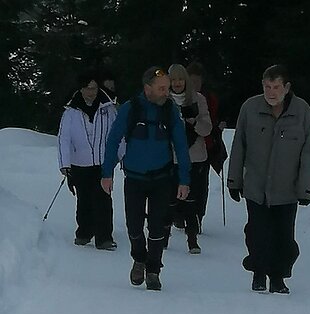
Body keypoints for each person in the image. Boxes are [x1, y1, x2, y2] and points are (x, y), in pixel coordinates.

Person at [227, 64, 310, 294]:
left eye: (276, 87)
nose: (271, 92)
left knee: (284, 237)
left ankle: (278, 276)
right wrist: (234, 180)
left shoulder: (302, 112)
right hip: (256, 186)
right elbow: (239, 146)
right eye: (267, 87)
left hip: (286, 188)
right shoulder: (250, 108)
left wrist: (306, 189)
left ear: (286, 88)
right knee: (257, 232)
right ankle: (259, 272)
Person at [101, 66, 191, 291]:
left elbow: (181, 146)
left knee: (158, 226)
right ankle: (139, 258)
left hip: (162, 177)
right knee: (134, 225)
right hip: (134, 178)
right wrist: (107, 173)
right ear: (147, 88)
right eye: (161, 88)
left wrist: (184, 179)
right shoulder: (130, 109)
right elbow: (113, 141)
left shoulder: (170, 111)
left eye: (167, 88)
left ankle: (153, 270)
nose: (166, 92)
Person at [58, 71, 118, 250]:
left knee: (103, 199)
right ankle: (84, 232)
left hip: (102, 163)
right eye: (87, 88)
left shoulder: (108, 108)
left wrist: (118, 156)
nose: (91, 92)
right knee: (83, 199)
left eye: (94, 88)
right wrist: (64, 164)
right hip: (80, 163)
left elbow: (116, 135)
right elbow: (64, 138)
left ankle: (104, 237)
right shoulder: (71, 112)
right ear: (80, 89)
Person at [165, 63, 212, 253]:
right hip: (170, 157)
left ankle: (192, 239)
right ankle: (164, 237)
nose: (177, 83)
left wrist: (193, 121)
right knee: (169, 199)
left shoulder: (198, 99)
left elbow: (207, 128)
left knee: (192, 199)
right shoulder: (163, 99)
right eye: (173, 79)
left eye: (180, 79)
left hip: (194, 156)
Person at [186, 61, 227, 232]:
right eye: (192, 81)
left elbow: (217, 118)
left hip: (205, 146)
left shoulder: (209, 99)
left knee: (201, 185)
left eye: (197, 81)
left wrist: (218, 127)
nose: (195, 84)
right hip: (182, 148)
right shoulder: (179, 97)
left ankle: (197, 216)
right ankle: (181, 215)